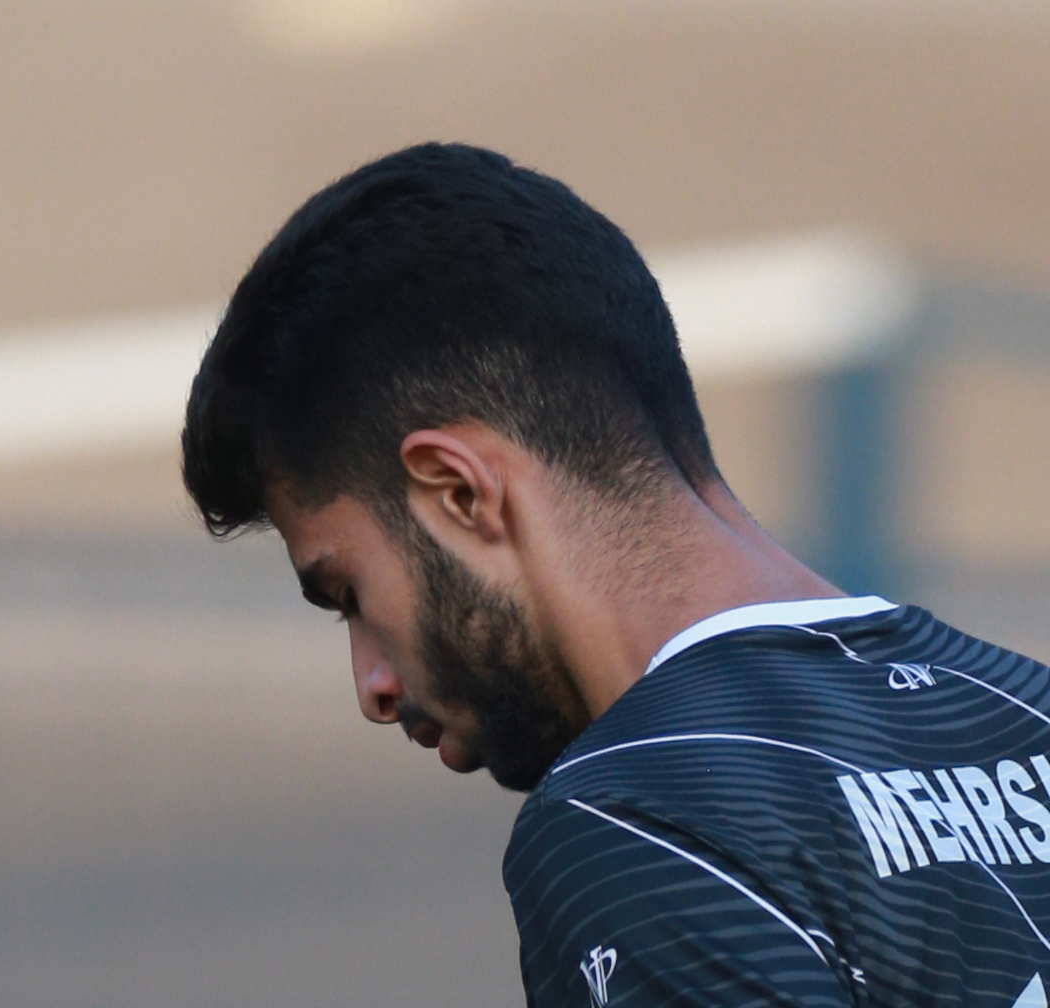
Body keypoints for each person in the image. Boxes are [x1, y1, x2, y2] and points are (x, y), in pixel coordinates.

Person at [182, 142, 1050, 1007]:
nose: (371, 685)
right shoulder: (1026, 709)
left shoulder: (641, 825)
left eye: (348, 595)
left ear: (459, 493)